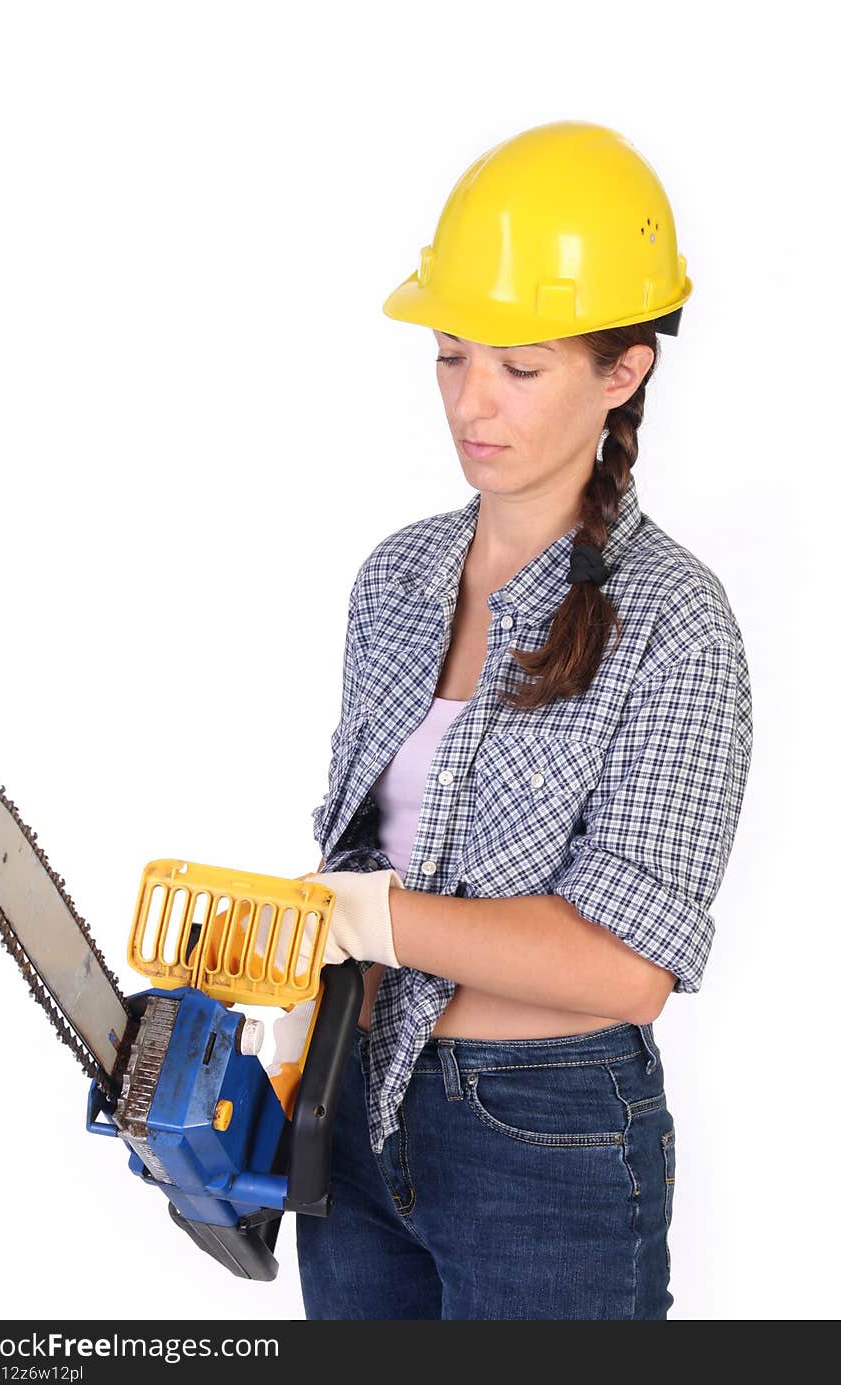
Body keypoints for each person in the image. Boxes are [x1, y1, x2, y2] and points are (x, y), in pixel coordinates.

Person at [294, 120, 753, 1320]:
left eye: (520, 366)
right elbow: (358, 852)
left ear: (623, 371)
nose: (469, 401)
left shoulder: (674, 624)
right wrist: (285, 1034)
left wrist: (370, 918)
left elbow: (626, 965)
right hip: (347, 1101)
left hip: (539, 1137)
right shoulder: (396, 581)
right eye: (450, 355)